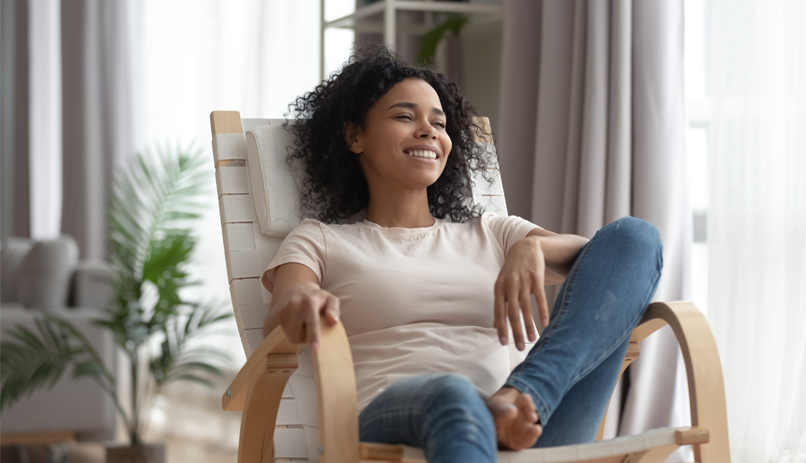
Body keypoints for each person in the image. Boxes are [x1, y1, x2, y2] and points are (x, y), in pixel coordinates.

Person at [260, 46, 663, 463]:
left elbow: (618, 258)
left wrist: (533, 247)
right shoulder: (322, 240)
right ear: (354, 135)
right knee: (453, 393)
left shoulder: (492, 232)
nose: (428, 131)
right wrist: (302, 300)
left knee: (637, 235)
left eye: (439, 122)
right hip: (392, 423)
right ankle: (495, 410)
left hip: (527, 428)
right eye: (404, 116)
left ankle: (520, 396)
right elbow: (280, 314)